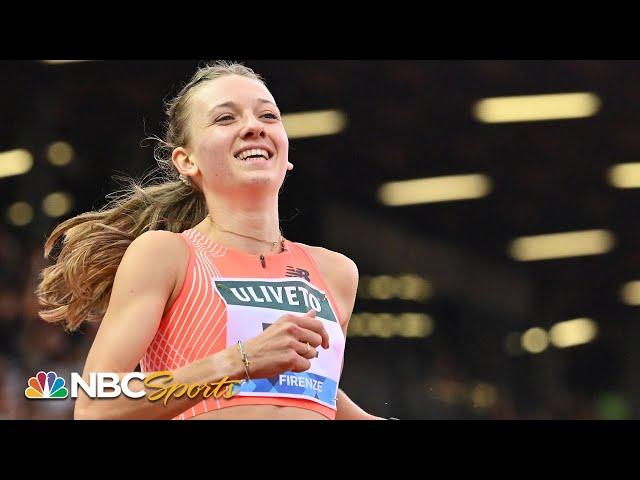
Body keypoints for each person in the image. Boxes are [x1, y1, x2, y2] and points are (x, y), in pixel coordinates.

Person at [36, 60, 382, 420]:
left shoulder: (337, 273)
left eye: (267, 116)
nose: (253, 127)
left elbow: (309, 392)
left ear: (286, 151)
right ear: (187, 161)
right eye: (225, 119)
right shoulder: (167, 255)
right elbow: (95, 406)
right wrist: (239, 361)